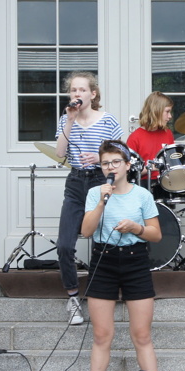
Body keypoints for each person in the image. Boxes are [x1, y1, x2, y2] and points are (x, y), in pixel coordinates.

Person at [73, 139, 172, 371]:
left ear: (128, 165)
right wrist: (101, 202)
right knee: (101, 335)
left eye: (116, 162)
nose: (111, 167)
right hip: (103, 261)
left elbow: (156, 234)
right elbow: (86, 231)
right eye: (105, 163)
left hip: (135, 261)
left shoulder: (142, 195)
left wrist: (136, 227)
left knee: (142, 335)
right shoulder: (95, 193)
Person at [54, 72, 124, 325]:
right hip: (75, 182)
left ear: (92, 94)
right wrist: (70, 121)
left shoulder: (107, 120)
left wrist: (99, 157)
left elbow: (121, 153)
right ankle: (73, 297)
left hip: (100, 180)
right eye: (73, 90)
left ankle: (101, 294)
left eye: (82, 90)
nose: (77, 94)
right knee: (64, 245)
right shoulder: (66, 119)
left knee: (104, 240)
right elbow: (59, 153)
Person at [126, 91, 185, 245]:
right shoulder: (135, 137)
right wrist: (152, 167)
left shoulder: (167, 133)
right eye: (167, 112)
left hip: (168, 181)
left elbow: (172, 160)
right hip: (146, 184)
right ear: (156, 111)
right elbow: (129, 171)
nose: (170, 116)